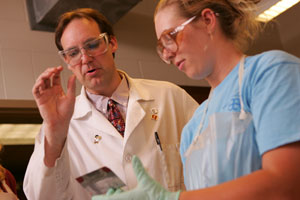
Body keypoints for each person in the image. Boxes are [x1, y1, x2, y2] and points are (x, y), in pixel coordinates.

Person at [93, 0, 300, 199]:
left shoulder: (269, 72)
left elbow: (286, 185)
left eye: (171, 37)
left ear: (208, 20)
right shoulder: (195, 126)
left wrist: (174, 199)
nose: (168, 55)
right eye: (162, 47)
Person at [23, 7, 199, 200]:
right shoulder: (59, 128)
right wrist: (55, 134)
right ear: (66, 60)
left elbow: (213, 161)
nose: (85, 59)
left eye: (91, 45)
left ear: (112, 43)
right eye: (73, 53)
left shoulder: (169, 96)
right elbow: (38, 196)